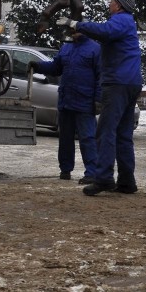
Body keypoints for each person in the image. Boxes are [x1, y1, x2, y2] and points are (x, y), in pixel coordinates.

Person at [57, 0, 142, 196]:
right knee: (123, 134)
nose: (108, 3)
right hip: (130, 83)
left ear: (119, 5)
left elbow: (104, 31)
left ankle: (103, 178)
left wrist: (75, 24)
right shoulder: (127, 23)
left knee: (105, 131)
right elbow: (103, 33)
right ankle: (126, 181)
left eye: (111, 1)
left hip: (117, 83)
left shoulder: (121, 20)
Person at [29, 32, 101, 185]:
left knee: (88, 138)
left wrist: (98, 100)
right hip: (67, 100)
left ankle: (92, 173)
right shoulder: (66, 48)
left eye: (75, 28)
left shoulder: (95, 49)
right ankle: (65, 170)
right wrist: (39, 66)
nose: (72, 32)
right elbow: (56, 67)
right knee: (65, 138)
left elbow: (101, 76)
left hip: (85, 102)